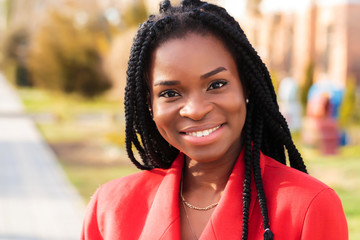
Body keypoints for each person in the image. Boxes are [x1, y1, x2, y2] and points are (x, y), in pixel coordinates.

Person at [81, 0, 348, 239]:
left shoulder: (308, 207)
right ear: (149, 105)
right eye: (170, 93)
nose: (195, 110)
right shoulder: (109, 209)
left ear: (246, 88)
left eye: (216, 84)